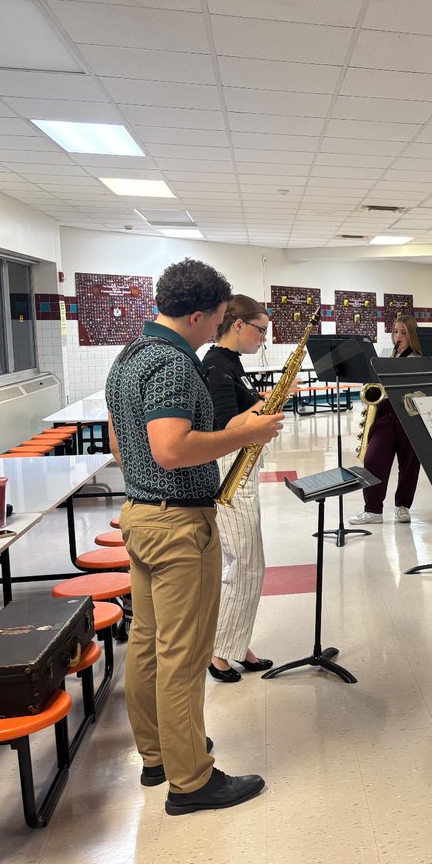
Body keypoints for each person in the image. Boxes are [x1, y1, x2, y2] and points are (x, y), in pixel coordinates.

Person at [106, 258, 283, 816]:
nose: (218, 332)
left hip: (140, 513)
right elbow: (172, 448)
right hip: (179, 523)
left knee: (150, 646)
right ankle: (191, 781)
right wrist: (246, 433)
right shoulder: (175, 364)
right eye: (219, 320)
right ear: (200, 314)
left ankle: (159, 754)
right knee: (183, 655)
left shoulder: (129, 356)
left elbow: (123, 446)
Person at [201, 295, 274, 683]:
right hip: (229, 470)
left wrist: (263, 402)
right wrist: (267, 406)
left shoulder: (232, 364)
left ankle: (235, 643)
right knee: (244, 563)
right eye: (260, 329)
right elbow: (225, 428)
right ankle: (219, 654)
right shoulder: (216, 366)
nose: (263, 337)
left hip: (242, 467)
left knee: (252, 565)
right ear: (239, 325)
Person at [349, 314, 423, 525]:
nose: (397, 337)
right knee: (373, 459)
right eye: (395, 332)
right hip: (386, 411)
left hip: (410, 413)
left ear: (412, 336)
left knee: (409, 463)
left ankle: (403, 506)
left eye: (403, 333)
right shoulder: (384, 353)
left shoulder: (418, 359)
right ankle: (373, 510)